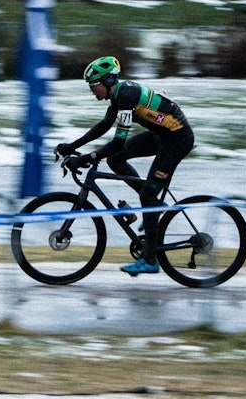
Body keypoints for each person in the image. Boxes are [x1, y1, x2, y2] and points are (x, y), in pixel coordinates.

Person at [55, 56, 194, 277]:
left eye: (94, 86)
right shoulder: (118, 96)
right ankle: (155, 205)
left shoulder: (127, 96)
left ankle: (150, 260)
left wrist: (86, 158)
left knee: (147, 194)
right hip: (162, 135)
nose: (92, 91)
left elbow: (118, 141)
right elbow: (102, 127)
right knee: (115, 159)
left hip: (177, 140)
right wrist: (71, 146)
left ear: (109, 81)